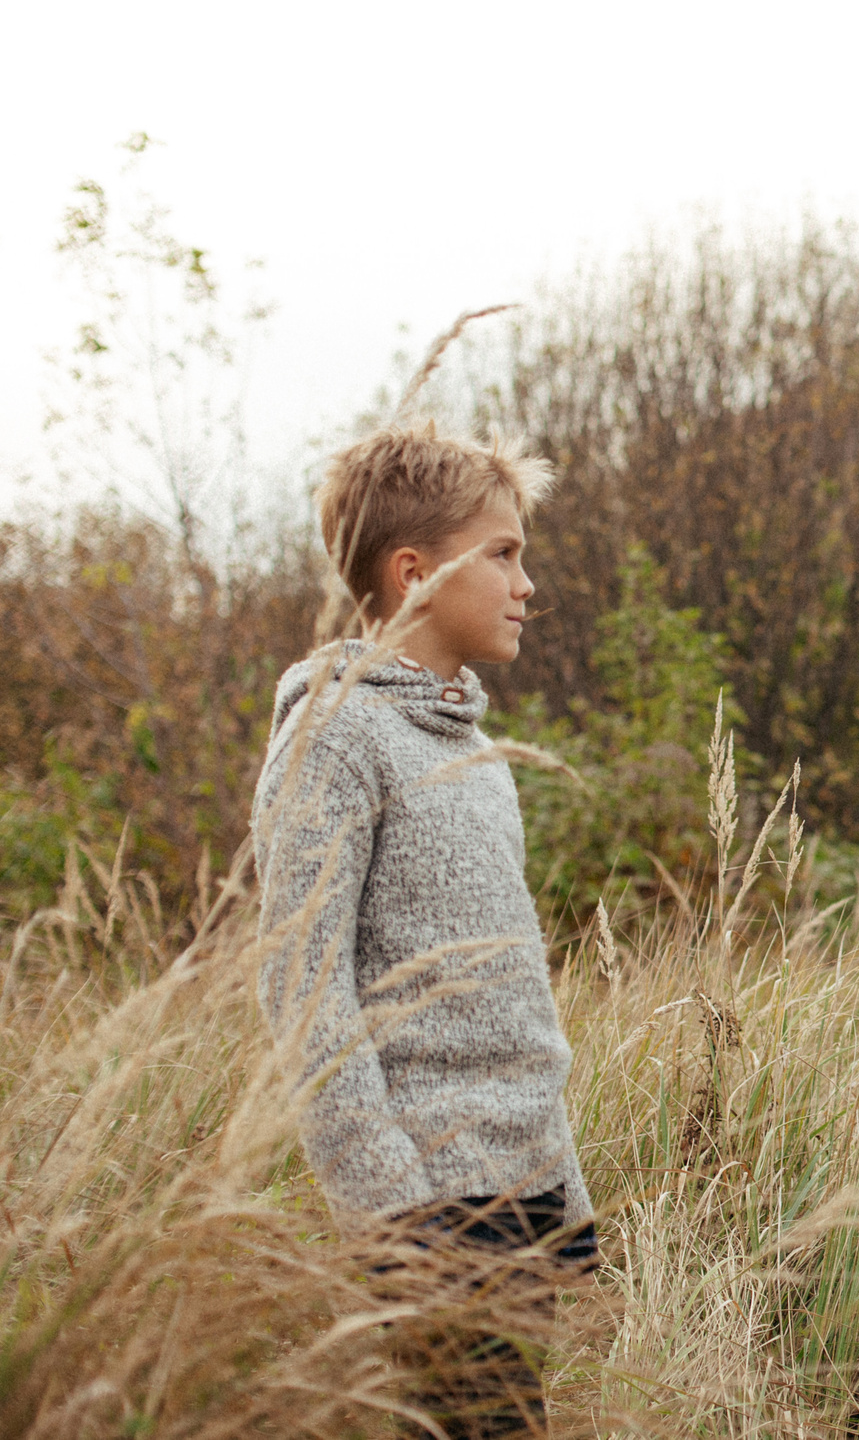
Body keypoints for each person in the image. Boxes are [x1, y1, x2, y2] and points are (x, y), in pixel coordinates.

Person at [252, 423, 594, 1438]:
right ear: (413, 572)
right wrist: (395, 1214)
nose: (527, 583)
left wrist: (558, 1196)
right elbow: (303, 989)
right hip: (428, 1202)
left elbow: (508, 1005)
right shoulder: (335, 736)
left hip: (517, 1191)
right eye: (503, 554)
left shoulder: (476, 753)